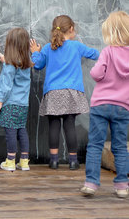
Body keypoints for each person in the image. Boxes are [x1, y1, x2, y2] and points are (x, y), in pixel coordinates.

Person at [30, 15, 99, 170]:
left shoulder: (48, 48)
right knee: (69, 126)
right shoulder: (77, 46)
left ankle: (53, 161)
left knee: (54, 126)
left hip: (53, 92)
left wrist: (35, 52)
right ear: (72, 29)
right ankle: (73, 161)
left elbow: (38, 65)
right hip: (71, 92)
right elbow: (94, 54)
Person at [80, 11, 129, 198]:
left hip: (101, 105)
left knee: (95, 145)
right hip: (123, 107)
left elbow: (96, 74)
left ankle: (91, 183)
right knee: (120, 147)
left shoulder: (108, 52)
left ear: (111, 32)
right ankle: (122, 185)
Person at [0, 28, 34, 171]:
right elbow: (16, 71)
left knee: (10, 132)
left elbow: (7, 85)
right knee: (21, 130)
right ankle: (24, 161)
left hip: (10, 104)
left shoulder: (10, 65)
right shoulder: (26, 63)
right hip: (22, 104)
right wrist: (5, 62)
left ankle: (10, 161)